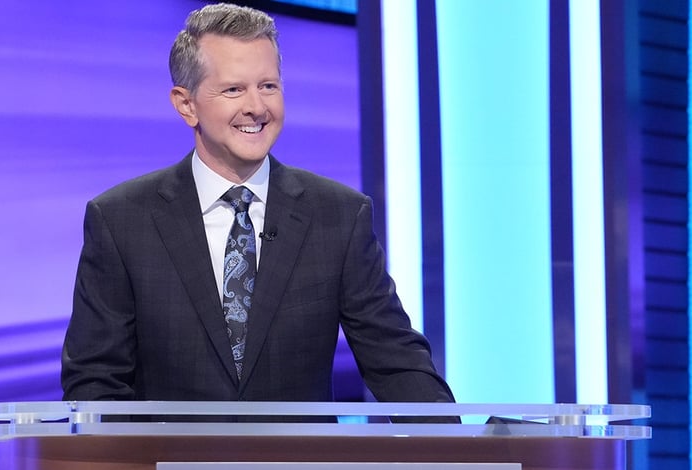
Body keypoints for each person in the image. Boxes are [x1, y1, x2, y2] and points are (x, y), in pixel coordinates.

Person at [61, 3, 454, 411]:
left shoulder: (338, 216)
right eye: (234, 89)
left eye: (268, 86)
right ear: (186, 104)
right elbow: (95, 383)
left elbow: (397, 362)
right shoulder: (123, 220)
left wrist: (464, 454)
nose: (257, 107)